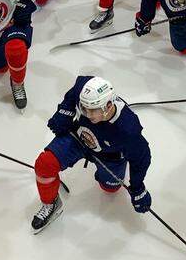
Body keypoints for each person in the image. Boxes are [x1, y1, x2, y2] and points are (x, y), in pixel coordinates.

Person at [31, 76, 151, 233]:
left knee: (109, 189)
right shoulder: (84, 87)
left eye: (92, 110)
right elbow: (74, 93)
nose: (86, 113)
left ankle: (113, 175)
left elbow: (141, 158)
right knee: (44, 165)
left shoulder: (128, 129)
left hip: (109, 156)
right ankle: (50, 203)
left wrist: (137, 187)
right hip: (78, 139)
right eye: (84, 108)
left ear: (108, 106)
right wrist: (64, 112)